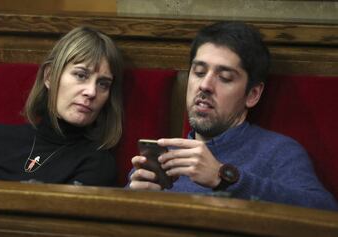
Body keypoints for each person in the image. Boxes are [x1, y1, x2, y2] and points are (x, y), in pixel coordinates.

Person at [129, 21, 338, 210]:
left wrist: (225, 177)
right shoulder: (162, 157)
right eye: (199, 72)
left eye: (225, 77)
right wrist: (132, 202)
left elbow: (325, 211)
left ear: (253, 94)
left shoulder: (279, 152)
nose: (205, 85)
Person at [0, 26, 123, 186]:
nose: (91, 92)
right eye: (81, 75)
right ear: (49, 77)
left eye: (103, 84)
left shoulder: (97, 163)